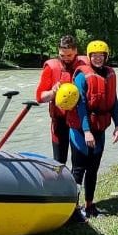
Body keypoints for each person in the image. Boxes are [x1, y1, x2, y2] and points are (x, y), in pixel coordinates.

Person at [70, 40, 118, 219]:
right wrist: (86, 131)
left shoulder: (109, 74)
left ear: (106, 57)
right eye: (94, 56)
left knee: (93, 169)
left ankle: (90, 205)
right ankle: (73, 209)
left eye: (101, 56)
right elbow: (80, 104)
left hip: (99, 128)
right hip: (81, 130)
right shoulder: (82, 76)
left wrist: (117, 125)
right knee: (78, 170)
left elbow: (113, 100)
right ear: (89, 57)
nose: (98, 58)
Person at [35, 34, 90, 165]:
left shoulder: (86, 65)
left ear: (76, 51)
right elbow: (40, 97)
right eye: (62, 55)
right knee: (59, 162)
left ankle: (76, 179)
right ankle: (59, 178)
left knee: (80, 161)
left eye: (69, 55)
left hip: (80, 119)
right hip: (59, 121)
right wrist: (53, 92)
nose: (65, 59)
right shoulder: (51, 67)